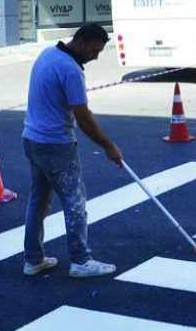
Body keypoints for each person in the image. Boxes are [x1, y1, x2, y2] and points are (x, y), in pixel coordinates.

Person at [22, 24, 122, 278]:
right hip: (56, 145)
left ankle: (33, 259)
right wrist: (108, 146)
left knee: (39, 200)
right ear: (81, 42)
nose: (96, 56)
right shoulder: (71, 70)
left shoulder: (48, 54)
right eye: (94, 50)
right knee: (74, 201)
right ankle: (80, 260)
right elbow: (83, 116)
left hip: (32, 139)